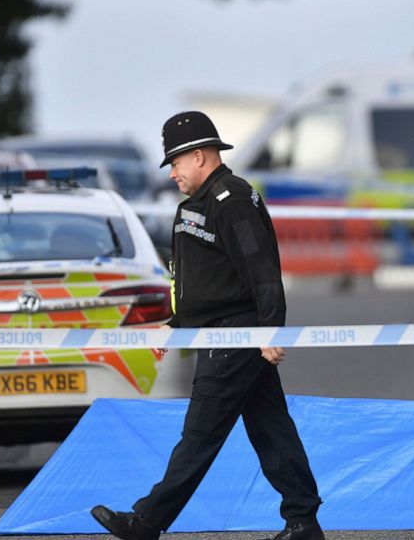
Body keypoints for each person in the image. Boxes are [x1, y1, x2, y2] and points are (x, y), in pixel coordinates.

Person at [91, 111, 324, 540]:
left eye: (176, 163)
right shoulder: (197, 205)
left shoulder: (231, 201)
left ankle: (146, 522)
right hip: (221, 331)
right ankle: (303, 521)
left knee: (199, 434)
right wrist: (176, 324)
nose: (173, 173)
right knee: (271, 429)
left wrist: (270, 329)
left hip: (236, 333)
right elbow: (205, 279)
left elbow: (261, 270)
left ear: (199, 156)